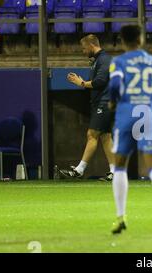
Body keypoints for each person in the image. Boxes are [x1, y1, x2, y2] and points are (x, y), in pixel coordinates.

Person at [107, 25, 152, 236]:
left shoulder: (118, 62)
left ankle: (120, 216)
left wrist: (112, 101)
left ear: (122, 41)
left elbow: (115, 85)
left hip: (126, 112)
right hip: (148, 113)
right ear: (141, 39)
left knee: (119, 164)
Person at [60, 34, 115, 181]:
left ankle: (79, 170)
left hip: (104, 102)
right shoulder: (97, 60)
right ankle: (116, 172)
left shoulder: (104, 59)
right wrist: (82, 82)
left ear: (91, 46)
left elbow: (100, 82)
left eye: (84, 48)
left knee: (92, 134)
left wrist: (82, 83)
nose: (83, 51)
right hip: (101, 102)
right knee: (105, 137)